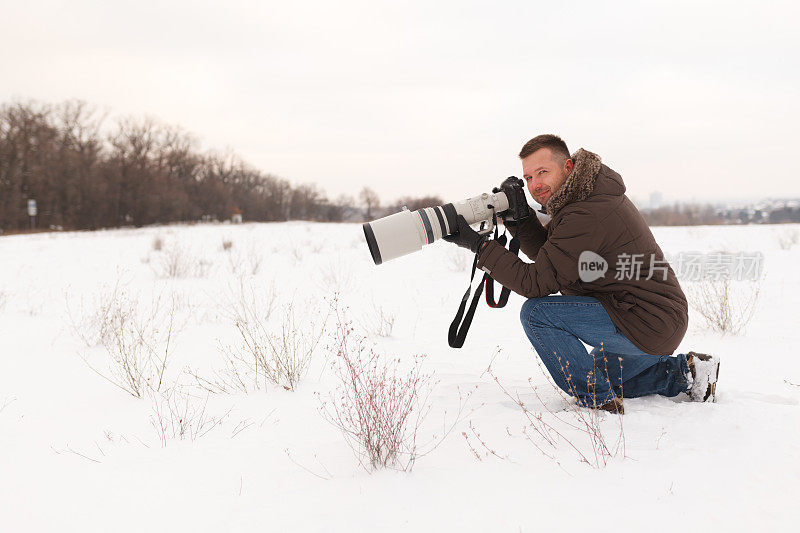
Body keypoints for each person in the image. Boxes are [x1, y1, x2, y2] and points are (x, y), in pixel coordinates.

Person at [443, 134, 719, 414]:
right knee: (603, 375)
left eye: (542, 172)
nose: (535, 184)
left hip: (645, 320)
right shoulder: (583, 198)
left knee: (537, 314)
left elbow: (537, 282)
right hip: (649, 316)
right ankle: (689, 373)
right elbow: (552, 259)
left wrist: (480, 246)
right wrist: (521, 217)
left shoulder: (586, 213)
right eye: (528, 178)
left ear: (568, 167)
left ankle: (599, 400)